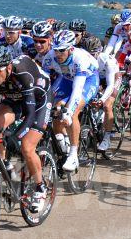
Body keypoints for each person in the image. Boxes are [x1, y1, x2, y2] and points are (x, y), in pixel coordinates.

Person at [0, 46, 52, 212]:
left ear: (8, 67)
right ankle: (5, 167)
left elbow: (30, 114)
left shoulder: (23, 75)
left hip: (38, 103)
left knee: (26, 147)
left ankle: (40, 188)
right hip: (15, 99)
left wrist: (16, 136)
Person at [42, 30, 99, 171]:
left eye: (61, 51)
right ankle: (63, 144)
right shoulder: (49, 57)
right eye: (55, 50)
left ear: (71, 49)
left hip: (87, 80)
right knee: (54, 111)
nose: (57, 54)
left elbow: (77, 90)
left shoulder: (80, 59)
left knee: (71, 113)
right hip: (66, 79)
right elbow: (43, 85)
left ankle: (73, 155)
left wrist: (68, 110)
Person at [79, 36, 119, 152]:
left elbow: (111, 85)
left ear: (99, 52)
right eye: (87, 54)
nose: (90, 57)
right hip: (96, 79)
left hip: (112, 79)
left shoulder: (107, 60)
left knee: (107, 105)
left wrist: (102, 99)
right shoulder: (81, 59)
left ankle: (107, 137)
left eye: (93, 54)